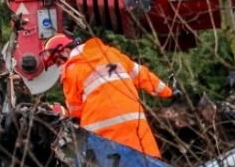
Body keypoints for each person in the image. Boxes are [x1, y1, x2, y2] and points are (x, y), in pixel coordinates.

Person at [44, 33, 177, 158]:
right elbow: (143, 75)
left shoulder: (70, 72)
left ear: (66, 52)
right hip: (136, 129)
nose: (59, 67)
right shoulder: (110, 53)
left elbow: (76, 112)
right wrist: (168, 92)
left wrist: (64, 114)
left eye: (57, 62)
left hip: (104, 139)